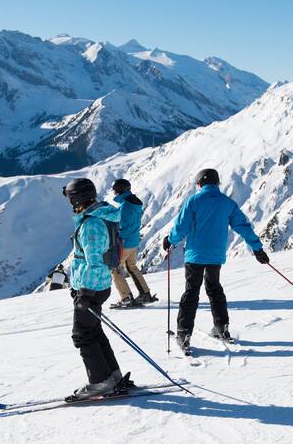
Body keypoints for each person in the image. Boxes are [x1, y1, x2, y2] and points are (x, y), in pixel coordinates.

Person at [163, 168, 269, 349]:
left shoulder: (194, 201)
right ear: (216, 183)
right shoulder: (227, 203)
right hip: (215, 256)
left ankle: (184, 334)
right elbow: (243, 227)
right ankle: (222, 328)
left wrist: (170, 240)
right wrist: (257, 249)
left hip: (195, 256)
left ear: (200, 184)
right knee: (214, 289)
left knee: (191, 292)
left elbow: (181, 227)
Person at [62, 178, 126, 399]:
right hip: (96, 285)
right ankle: (113, 376)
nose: (70, 203)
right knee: (94, 331)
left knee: (82, 335)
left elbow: (94, 261)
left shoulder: (91, 224)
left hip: (93, 287)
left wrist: (86, 292)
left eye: (71, 198)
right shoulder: (98, 217)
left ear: (77, 199)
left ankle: (100, 382)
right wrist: (79, 287)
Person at [108, 178, 157, 309]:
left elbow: (122, 226)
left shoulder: (125, 205)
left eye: (115, 190)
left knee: (115, 268)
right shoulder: (135, 203)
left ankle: (126, 298)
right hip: (134, 241)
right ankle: (145, 293)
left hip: (124, 243)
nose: (114, 193)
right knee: (131, 266)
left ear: (119, 190)